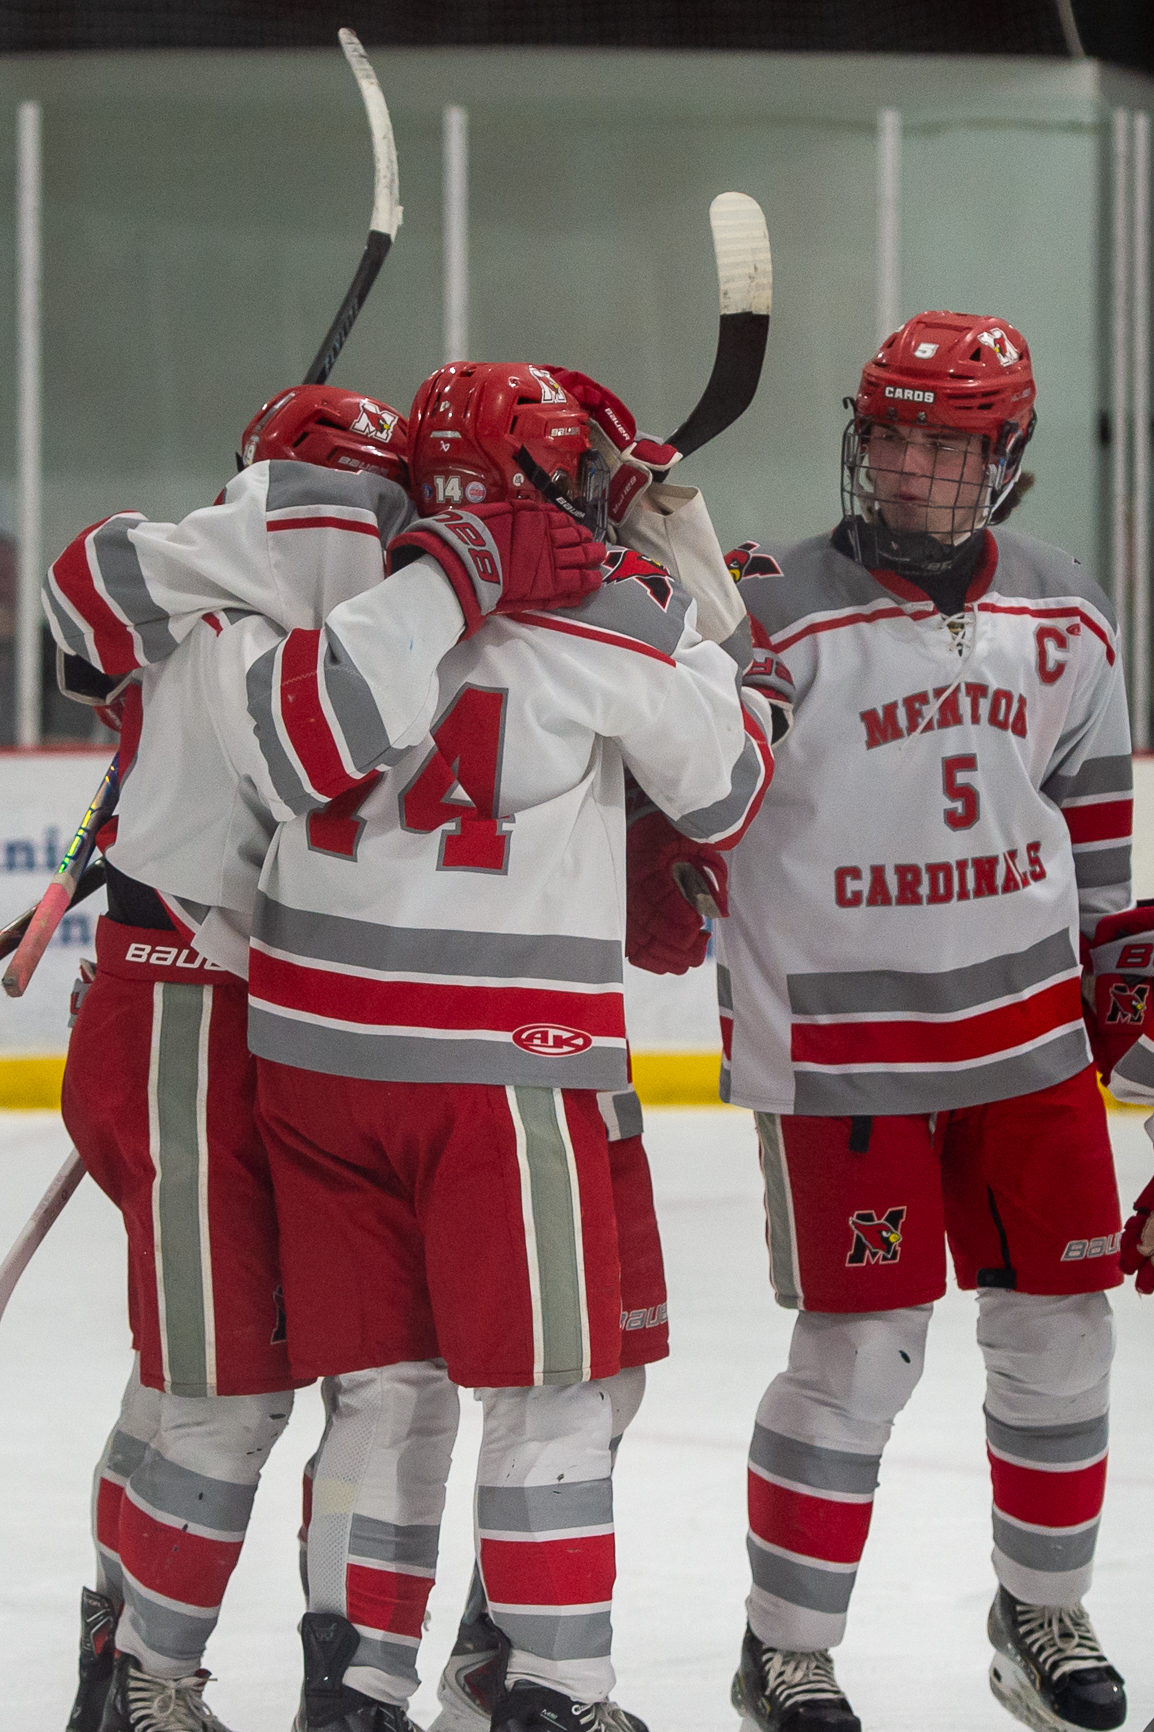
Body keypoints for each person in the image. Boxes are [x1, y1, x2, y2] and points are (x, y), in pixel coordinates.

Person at [49, 383, 603, 1732]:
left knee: (271, 1382)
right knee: (232, 1401)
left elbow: (91, 600)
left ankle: (154, 1656)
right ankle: (151, 1688)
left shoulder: (283, 597)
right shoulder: (311, 530)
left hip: (261, 1025)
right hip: (196, 1021)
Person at [230, 360, 774, 1732]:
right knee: (559, 1392)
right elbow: (731, 787)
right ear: (546, 481)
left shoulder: (338, 593)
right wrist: (698, 599)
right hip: (498, 1068)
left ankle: (348, 1686)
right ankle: (551, 1684)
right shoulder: (609, 619)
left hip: (315, 1061)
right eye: (579, 476)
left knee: (379, 1400)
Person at [631, 312, 1131, 1732]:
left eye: (947, 443)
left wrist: (1121, 968)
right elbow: (692, 781)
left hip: (1025, 1043)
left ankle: (1040, 1612)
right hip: (844, 1052)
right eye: (892, 437)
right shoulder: (769, 606)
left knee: (1062, 1335)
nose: (911, 468)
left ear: (1005, 456)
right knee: (862, 1355)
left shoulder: (1070, 608)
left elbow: (1093, 823)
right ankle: (782, 1651)